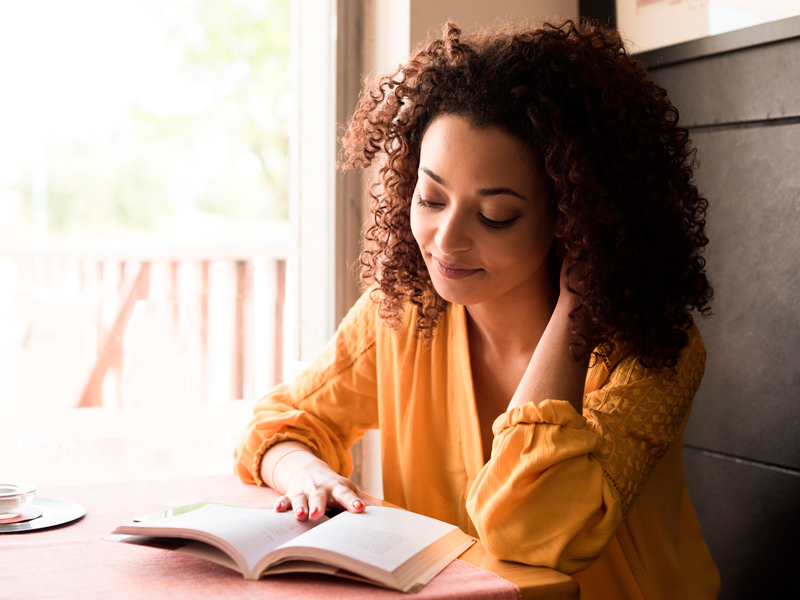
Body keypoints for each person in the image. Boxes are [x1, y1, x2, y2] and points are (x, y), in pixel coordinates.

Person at [234, 19, 720, 599]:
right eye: (430, 198)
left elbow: (532, 532)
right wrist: (306, 472)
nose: (445, 239)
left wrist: (577, 311)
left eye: (495, 216)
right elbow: (278, 424)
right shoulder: (403, 315)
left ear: (573, 215)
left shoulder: (652, 351)